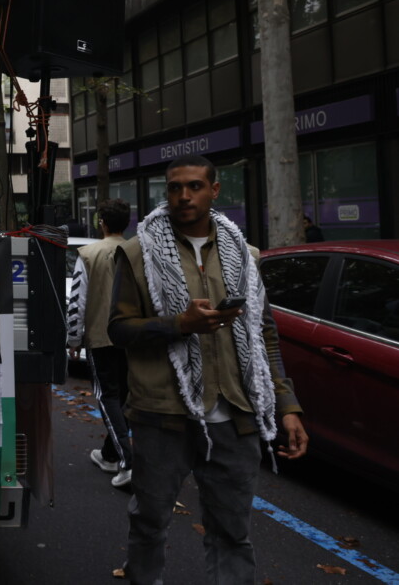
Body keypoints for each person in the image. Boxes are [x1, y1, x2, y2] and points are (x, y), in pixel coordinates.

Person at [109, 155, 307, 585]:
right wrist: (179, 325)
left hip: (236, 413)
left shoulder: (245, 253)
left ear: (214, 190)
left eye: (195, 186)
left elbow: (264, 335)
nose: (184, 196)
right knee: (149, 522)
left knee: (233, 532)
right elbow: (119, 329)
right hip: (162, 415)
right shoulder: (136, 252)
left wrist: (287, 405)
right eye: (175, 187)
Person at [66, 198, 132, 488]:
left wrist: (73, 337)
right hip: (134, 336)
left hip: (101, 335)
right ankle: (108, 455)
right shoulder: (138, 251)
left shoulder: (89, 253)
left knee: (107, 397)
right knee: (125, 397)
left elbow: (77, 301)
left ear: (101, 222)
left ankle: (127, 461)